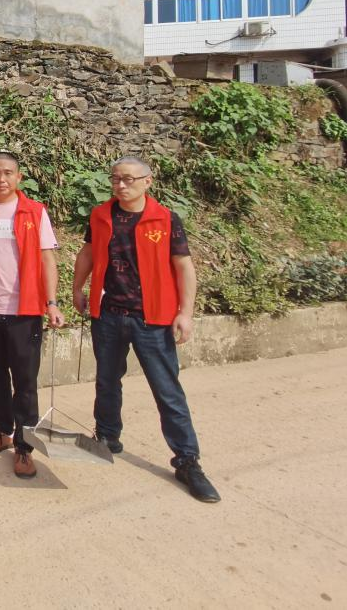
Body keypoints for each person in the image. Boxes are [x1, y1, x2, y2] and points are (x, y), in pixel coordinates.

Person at [72, 155, 220, 503]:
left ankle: (187, 460)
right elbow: (88, 253)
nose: (120, 185)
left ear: (147, 181)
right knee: (107, 380)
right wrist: (77, 288)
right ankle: (107, 436)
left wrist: (185, 313)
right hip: (108, 315)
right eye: (115, 179)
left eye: (128, 179)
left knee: (167, 390)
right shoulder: (100, 215)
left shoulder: (165, 218)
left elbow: (183, 267)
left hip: (151, 319)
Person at [0, 151, 64, 479]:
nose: (2, 178)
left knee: (25, 381)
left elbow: (47, 259)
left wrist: (51, 302)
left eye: (8, 172)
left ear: (19, 177)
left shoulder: (35, 211)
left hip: (26, 310)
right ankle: (3, 432)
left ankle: (24, 446)